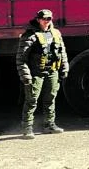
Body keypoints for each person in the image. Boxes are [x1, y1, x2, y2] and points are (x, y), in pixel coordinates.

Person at [16, 9, 69, 139]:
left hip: (52, 71)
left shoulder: (56, 33)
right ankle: (27, 128)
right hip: (36, 73)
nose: (46, 21)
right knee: (31, 100)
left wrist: (64, 68)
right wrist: (26, 75)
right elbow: (21, 58)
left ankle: (49, 124)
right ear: (38, 19)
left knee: (50, 98)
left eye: (49, 19)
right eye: (44, 19)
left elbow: (62, 53)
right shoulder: (30, 36)